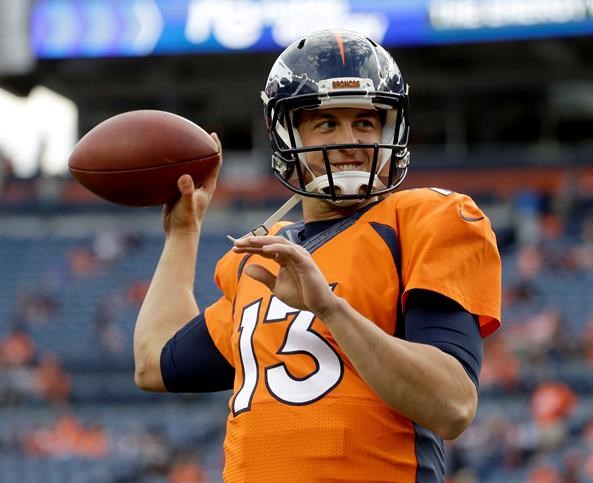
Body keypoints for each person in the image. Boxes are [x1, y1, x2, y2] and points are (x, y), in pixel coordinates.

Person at [134, 30, 501, 482]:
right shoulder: (262, 257)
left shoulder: (425, 219)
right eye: (326, 123)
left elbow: (452, 405)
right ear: (288, 134)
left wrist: (329, 308)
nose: (349, 140)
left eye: (365, 123)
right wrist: (183, 233)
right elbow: (153, 363)